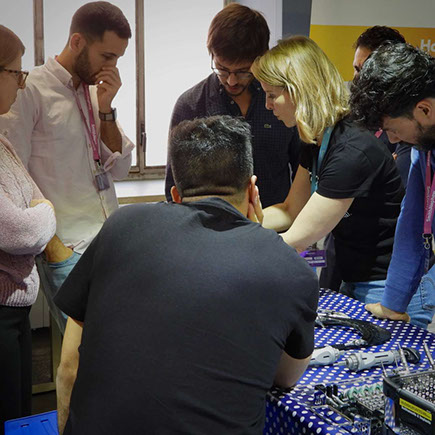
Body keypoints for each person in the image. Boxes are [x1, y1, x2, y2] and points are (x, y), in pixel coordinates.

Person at [54, 115, 319, 435]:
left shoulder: (120, 227)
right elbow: (287, 377)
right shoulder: (289, 269)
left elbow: (68, 368)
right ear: (252, 191)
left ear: (176, 195)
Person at [250, 35, 432, 329]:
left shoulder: (352, 149)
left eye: (272, 95)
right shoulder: (316, 140)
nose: (268, 105)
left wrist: (237, 242)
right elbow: (290, 210)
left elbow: (298, 238)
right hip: (357, 280)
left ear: (300, 90)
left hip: (386, 286)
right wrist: (242, 220)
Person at [0, 1, 134, 333]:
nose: (112, 68)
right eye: (107, 56)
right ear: (77, 42)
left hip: (110, 240)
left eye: (118, 58)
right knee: (85, 349)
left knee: (115, 344)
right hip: (68, 250)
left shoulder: (96, 91)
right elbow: (14, 178)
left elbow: (119, 169)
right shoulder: (29, 90)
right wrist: (55, 250)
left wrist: (107, 109)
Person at [165, 3, 300, 208]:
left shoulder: (284, 101)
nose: (231, 81)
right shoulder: (191, 105)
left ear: (262, 57)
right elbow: (174, 187)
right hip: (211, 225)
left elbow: (303, 170)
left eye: (243, 71)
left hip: (278, 221)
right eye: (222, 69)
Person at [350, 42, 435, 326]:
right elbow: (412, 223)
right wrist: (393, 305)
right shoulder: (425, 146)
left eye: (394, 130)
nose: (393, 140)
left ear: (424, 110)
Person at [0, 26, 56, 433]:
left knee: (20, 414)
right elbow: (19, 232)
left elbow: (37, 199)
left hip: (15, 305)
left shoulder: (2, 141)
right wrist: (45, 213)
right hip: (1, 308)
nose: (21, 85)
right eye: (16, 74)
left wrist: (41, 211)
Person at [353, 25, 411, 188]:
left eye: (365, 70)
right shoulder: (355, 116)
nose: (358, 78)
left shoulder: (409, 124)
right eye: (356, 69)